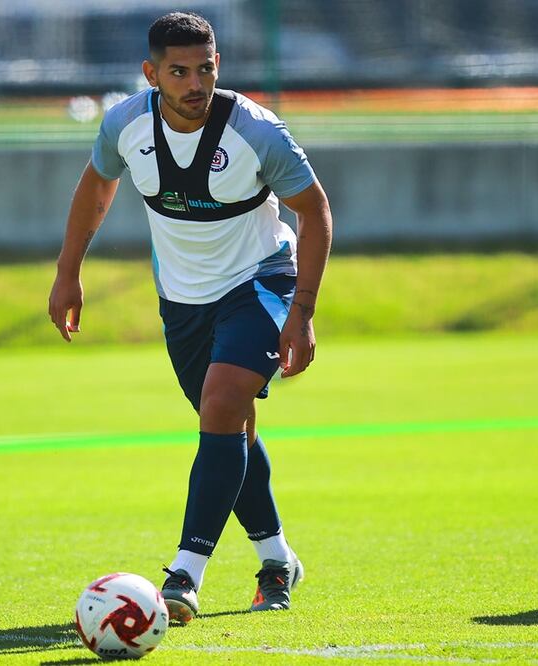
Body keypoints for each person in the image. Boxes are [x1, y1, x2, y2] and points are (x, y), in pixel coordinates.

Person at [48, 11, 332, 624]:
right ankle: (277, 560)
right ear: (151, 74)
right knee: (229, 430)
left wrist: (302, 311)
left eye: (205, 68)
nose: (194, 82)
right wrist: (69, 271)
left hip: (261, 280)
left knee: (223, 404)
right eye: (178, 72)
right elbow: (96, 188)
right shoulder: (125, 124)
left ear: (217, 66)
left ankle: (184, 574)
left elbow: (316, 211)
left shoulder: (257, 131)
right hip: (182, 302)